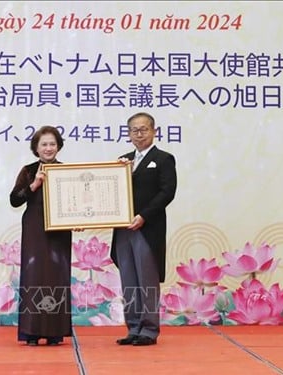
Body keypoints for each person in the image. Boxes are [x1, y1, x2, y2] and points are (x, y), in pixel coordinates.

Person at [111, 112, 177, 346]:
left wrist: (143, 216)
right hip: (123, 230)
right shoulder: (123, 161)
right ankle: (134, 328)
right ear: (128, 134)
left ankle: (149, 330)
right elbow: (110, 193)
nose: (139, 134)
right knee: (129, 281)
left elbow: (167, 192)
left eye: (144, 129)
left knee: (147, 281)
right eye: (134, 130)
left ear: (153, 131)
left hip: (147, 229)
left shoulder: (163, 159)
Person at [10, 126, 72, 346]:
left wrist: (80, 220)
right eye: (44, 144)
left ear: (59, 146)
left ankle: (56, 332)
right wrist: (34, 185)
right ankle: (31, 332)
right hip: (35, 229)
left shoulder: (67, 171)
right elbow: (15, 200)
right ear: (36, 148)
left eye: (52, 144)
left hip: (60, 232)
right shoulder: (28, 170)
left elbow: (77, 203)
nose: (48, 148)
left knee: (57, 277)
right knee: (34, 277)